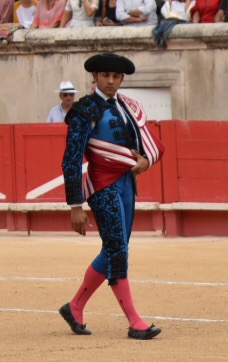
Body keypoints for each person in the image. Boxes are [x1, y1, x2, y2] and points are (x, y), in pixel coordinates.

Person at [57, 52, 163, 340]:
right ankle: (135, 322)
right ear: (95, 77)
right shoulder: (83, 110)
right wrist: (75, 205)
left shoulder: (128, 107)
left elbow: (147, 145)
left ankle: (75, 307)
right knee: (118, 249)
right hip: (102, 186)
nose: (111, 81)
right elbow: (71, 159)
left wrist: (145, 161)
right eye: (105, 76)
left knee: (116, 248)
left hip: (127, 183)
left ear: (122, 79)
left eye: (116, 77)